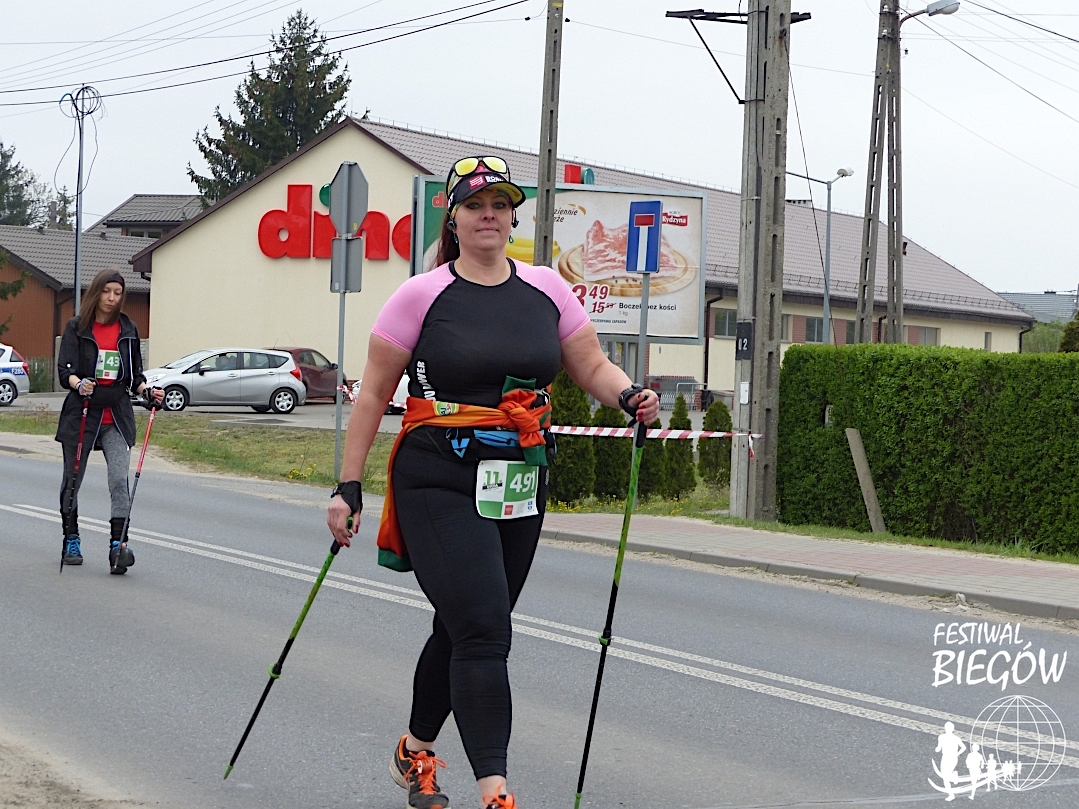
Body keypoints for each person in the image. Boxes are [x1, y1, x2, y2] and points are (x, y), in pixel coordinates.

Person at [327, 156, 659, 809]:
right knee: (483, 629)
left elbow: (591, 364)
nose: (488, 215)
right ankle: (495, 791)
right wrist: (348, 485)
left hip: (517, 476)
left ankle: (415, 751)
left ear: (513, 218)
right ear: (453, 219)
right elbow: (373, 394)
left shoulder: (546, 288)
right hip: (436, 473)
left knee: (465, 625)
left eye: (500, 205)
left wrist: (629, 395)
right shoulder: (421, 294)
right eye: (475, 205)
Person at [56, 269, 163, 573]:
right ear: (96, 292)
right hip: (83, 411)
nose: (112, 298)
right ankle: (71, 539)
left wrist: (148, 391)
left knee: (118, 479)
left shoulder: (127, 329)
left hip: (116, 414)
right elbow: (65, 372)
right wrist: (80, 384)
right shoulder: (77, 327)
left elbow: (135, 377)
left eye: (117, 292)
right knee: (73, 480)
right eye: (106, 291)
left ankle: (119, 546)